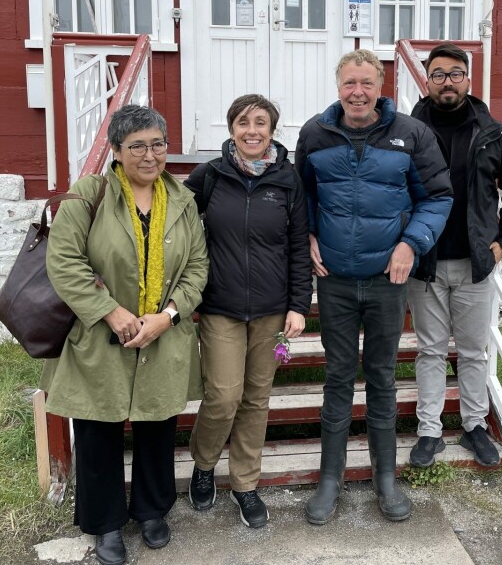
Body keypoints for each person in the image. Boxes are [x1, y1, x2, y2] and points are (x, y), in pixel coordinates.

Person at [42, 105, 208, 565]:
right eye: (137, 146)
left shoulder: (181, 199)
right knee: (98, 430)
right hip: (100, 335)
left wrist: (169, 316)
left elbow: (197, 267)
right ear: (116, 151)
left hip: (162, 336)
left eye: (157, 144)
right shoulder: (88, 196)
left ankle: (152, 511)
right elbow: (64, 263)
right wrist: (110, 312)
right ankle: (105, 523)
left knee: (158, 426)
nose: (150, 155)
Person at [296, 49, 453, 525]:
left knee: (382, 377)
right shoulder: (314, 134)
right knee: (339, 377)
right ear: (338, 86)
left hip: (388, 281)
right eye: (349, 84)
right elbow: (299, 195)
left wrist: (411, 244)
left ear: (381, 87)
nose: (357, 92)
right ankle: (331, 478)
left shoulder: (411, 133)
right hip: (337, 281)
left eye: (366, 83)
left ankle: (386, 477)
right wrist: (305, 235)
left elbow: (438, 196)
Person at [184, 94, 311, 529]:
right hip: (220, 306)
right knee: (222, 396)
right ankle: (204, 466)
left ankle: (245, 484)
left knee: (257, 399)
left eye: (260, 122)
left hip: (272, 311)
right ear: (231, 128)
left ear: (273, 130)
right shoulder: (211, 176)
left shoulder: (288, 180)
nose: (252, 130)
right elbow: (174, 219)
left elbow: (297, 248)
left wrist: (299, 306)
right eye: (243, 122)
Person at [408, 42, 502, 469]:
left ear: (468, 79)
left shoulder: (492, 131)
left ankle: (475, 425)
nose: (447, 81)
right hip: (425, 263)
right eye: (438, 74)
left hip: (476, 262)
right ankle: (429, 431)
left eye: (455, 74)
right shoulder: (406, 130)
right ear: (427, 80)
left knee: (475, 351)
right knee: (430, 351)